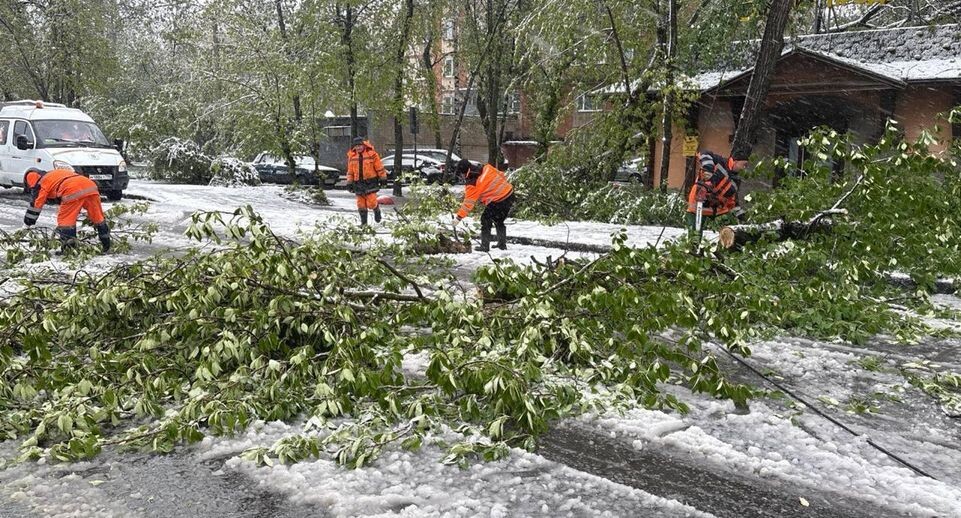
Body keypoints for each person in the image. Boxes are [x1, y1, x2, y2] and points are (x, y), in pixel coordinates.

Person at [23, 168, 111, 253]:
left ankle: (69, 250)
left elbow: (36, 205)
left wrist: (28, 223)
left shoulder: (41, 182)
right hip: (90, 186)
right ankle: (106, 244)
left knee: (66, 220)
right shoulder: (54, 174)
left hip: (72, 189)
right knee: (98, 217)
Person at [452, 159, 514, 252]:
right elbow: (502, 175)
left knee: (485, 219)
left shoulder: (473, 182)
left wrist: (459, 218)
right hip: (510, 194)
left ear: (464, 172)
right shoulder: (486, 167)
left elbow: (468, 203)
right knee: (499, 220)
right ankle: (502, 244)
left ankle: (485, 246)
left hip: (499, 200)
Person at [686, 149, 750, 230]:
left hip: (714, 210)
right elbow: (704, 153)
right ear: (736, 161)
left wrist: (740, 215)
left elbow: (732, 201)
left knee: (729, 231)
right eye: (744, 164)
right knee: (695, 236)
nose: (744, 168)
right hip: (697, 205)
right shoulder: (720, 162)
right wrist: (708, 167)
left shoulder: (736, 181)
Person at [345, 137, 387, 226]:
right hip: (358, 183)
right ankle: (364, 224)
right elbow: (350, 172)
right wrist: (349, 182)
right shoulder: (352, 157)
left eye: (360, 145)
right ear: (354, 147)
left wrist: (383, 178)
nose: (358, 148)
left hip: (370, 182)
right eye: (357, 146)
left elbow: (379, 167)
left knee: (371, 203)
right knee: (361, 204)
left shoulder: (372, 154)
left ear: (363, 145)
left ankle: (376, 210)